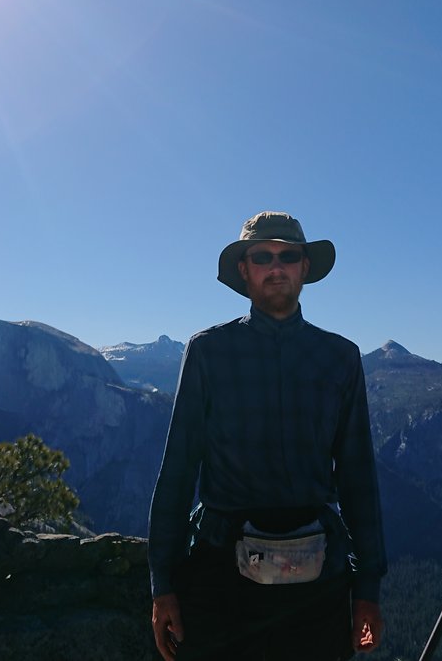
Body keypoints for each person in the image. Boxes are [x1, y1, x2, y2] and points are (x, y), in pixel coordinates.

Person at [148, 211, 386, 661]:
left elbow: (357, 477)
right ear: (245, 269)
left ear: (305, 267)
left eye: (288, 256)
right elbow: (177, 470)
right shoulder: (208, 352)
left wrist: (367, 591)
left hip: (316, 590)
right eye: (262, 257)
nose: (276, 268)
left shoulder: (340, 358)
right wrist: (162, 585)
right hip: (221, 580)